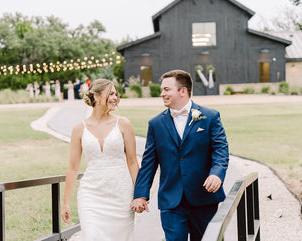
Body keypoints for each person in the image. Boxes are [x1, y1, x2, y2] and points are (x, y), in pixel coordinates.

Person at [131, 70, 229, 241]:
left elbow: (220, 150)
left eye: (167, 89)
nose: (162, 94)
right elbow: (149, 162)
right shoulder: (155, 124)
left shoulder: (210, 117)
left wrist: (216, 173)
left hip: (203, 197)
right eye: (162, 90)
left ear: (183, 91)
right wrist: (141, 194)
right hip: (171, 201)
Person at [61, 78, 139, 241]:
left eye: (116, 94)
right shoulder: (79, 129)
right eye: (110, 93)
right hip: (91, 195)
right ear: (96, 96)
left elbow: (132, 162)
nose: (115, 98)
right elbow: (73, 168)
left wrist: (140, 195)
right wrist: (66, 202)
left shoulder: (124, 124)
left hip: (121, 194)